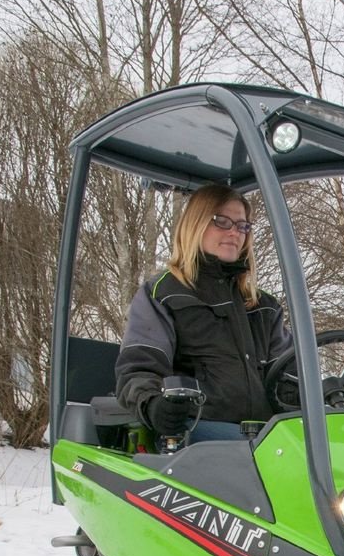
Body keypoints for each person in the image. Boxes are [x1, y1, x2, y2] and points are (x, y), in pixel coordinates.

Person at [116, 183, 292, 443]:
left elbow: (289, 376)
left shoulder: (262, 305)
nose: (235, 232)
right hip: (199, 430)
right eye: (222, 221)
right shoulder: (164, 294)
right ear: (196, 224)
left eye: (243, 226)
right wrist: (153, 403)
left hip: (265, 437)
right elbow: (139, 368)